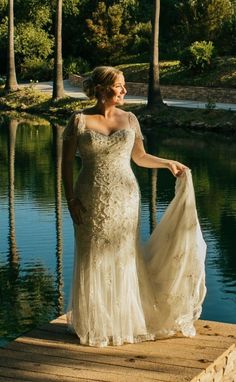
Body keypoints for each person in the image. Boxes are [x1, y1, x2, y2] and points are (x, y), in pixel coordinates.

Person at [62, 66, 206, 347]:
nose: (125, 91)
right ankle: (96, 324)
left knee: (124, 255)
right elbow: (66, 164)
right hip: (89, 196)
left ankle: (123, 322)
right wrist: (70, 199)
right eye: (120, 86)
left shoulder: (130, 119)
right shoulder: (78, 120)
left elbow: (139, 157)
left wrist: (167, 163)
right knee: (92, 255)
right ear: (103, 89)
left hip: (125, 197)